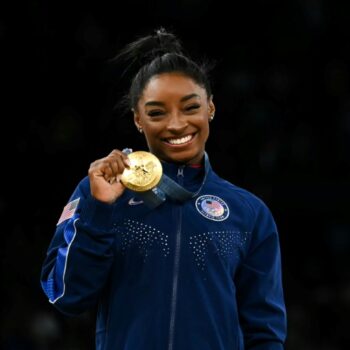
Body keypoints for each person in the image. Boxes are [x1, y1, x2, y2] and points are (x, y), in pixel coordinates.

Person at [40, 27, 287, 350]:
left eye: (190, 107)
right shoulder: (100, 191)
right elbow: (65, 295)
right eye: (157, 113)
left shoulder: (248, 212)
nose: (175, 124)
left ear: (210, 108)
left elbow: (265, 334)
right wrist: (99, 210)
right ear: (138, 119)